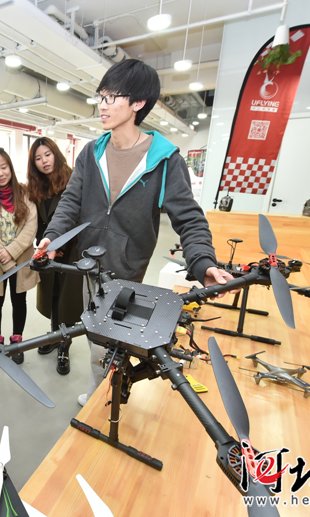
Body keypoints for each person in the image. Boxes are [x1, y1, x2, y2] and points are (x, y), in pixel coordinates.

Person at [38, 59, 234, 407]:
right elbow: (70, 201)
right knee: (95, 335)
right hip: (88, 265)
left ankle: (105, 398)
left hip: (127, 270)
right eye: (101, 97)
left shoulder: (165, 160)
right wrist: (53, 237)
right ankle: (100, 393)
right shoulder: (91, 152)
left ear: (138, 103)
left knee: (111, 341)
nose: (102, 105)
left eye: (112, 97)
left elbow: (189, 217)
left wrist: (203, 261)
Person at [0, 148, 39, 364]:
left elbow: (31, 226)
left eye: (3, 167)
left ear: (10, 168)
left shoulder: (24, 193)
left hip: (20, 260)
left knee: (19, 300)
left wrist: (12, 252)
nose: (0, 173)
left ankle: (17, 342)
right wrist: (5, 257)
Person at [26, 137, 83, 375]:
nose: (44, 161)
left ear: (56, 154)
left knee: (67, 299)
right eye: (38, 158)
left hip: (71, 250)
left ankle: (64, 345)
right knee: (52, 295)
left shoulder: (73, 178)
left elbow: (78, 214)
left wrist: (62, 245)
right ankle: (54, 335)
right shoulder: (37, 185)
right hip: (48, 251)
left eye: (47, 155)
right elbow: (38, 220)